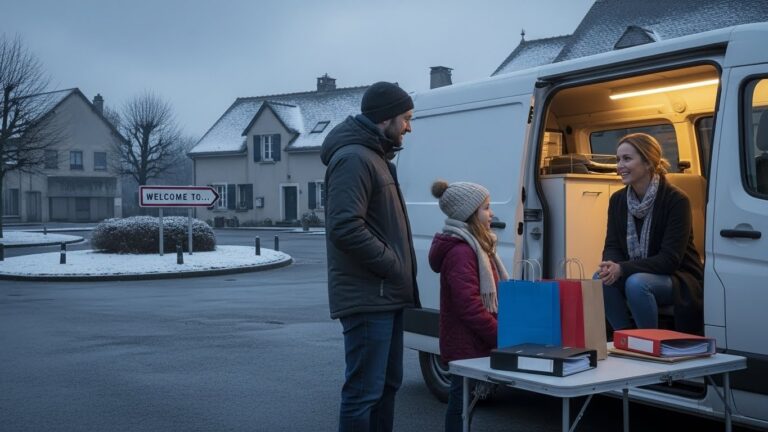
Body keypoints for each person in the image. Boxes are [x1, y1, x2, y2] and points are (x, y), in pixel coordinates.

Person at [320, 81, 420, 432]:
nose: (409, 126)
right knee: (364, 393)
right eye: (406, 118)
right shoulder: (353, 158)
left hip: (385, 295)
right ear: (386, 118)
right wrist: (392, 265)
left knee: (387, 387)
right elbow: (345, 226)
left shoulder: (373, 156)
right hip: (369, 296)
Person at [599, 133, 704, 334]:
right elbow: (612, 245)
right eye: (618, 159)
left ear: (648, 162)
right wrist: (609, 266)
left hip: (678, 277)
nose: (619, 165)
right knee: (599, 279)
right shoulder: (618, 200)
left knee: (636, 283)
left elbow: (669, 260)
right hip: (638, 272)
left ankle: (648, 341)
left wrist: (621, 268)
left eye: (627, 159)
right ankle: (625, 337)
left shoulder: (676, 200)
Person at [428, 180, 509, 432]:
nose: (491, 213)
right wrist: (498, 334)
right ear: (470, 214)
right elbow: (469, 305)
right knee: (462, 402)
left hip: (471, 340)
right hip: (466, 342)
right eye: (486, 207)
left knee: (465, 402)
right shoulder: (462, 252)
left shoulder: (476, 246)